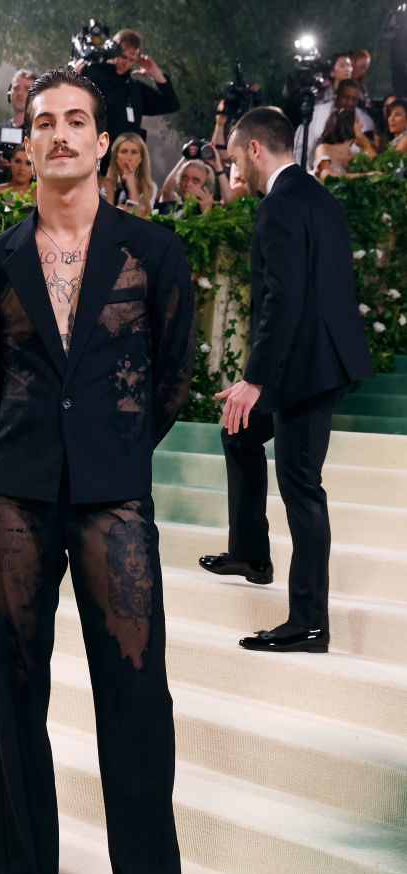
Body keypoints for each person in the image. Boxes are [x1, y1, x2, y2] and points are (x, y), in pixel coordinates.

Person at [0, 67, 196, 874]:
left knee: (136, 696)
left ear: (104, 142)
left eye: (75, 121)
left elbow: (170, 378)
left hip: (114, 496)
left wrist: (116, 447)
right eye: (43, 122)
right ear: (27, 147)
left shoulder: (153, 252)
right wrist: (28, 447)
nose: (59, 134)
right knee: (16, 690)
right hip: (19, 495)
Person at [198, 107, 374, 653]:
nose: (232, 171)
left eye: (232, 159)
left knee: (300, 485)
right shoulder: (320, 196)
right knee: (239, 433)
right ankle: (251, 552)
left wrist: (255, 379)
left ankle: (310, 623)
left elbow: (284, 299)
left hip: (308, 366)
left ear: (255, 150)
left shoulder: (278, 206)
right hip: (317, 357)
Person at [79, 29, 179, 173]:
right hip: (90, 162)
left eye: (131, 60)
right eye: (122, 56)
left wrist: (156, 74)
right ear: (112, 49)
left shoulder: (134, 88)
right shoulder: (90, 78)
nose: (125, 63)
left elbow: (171, 104)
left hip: (124, 168)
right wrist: (74, 78)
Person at [294, 78, 375, 170]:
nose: (349, 102)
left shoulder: (363, 120)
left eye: (354, 99)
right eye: (346, 97)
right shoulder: (316, 113)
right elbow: (300, 148)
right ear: (336, 95)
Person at [0, 68, 36, 189]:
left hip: (25, 202)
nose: (20, 93)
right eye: (16, 88)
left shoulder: (39, 132)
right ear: (9, 93)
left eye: (27, 89)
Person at [99, 131, 156, 216]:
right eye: (124, 151)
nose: (128, 158)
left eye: (134, 152)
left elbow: (141, 220)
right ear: (116, 156)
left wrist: (132, 186)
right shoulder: (105, 183)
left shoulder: (149, 186)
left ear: (141, 158)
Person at [313, 109, 377, 180]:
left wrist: (367, 145)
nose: (361, 126)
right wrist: (366, 175)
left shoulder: (354, 155)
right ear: (346, 124)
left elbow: (374, 168)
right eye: (357, 121)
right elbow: (326, 176)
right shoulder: (323, 149)